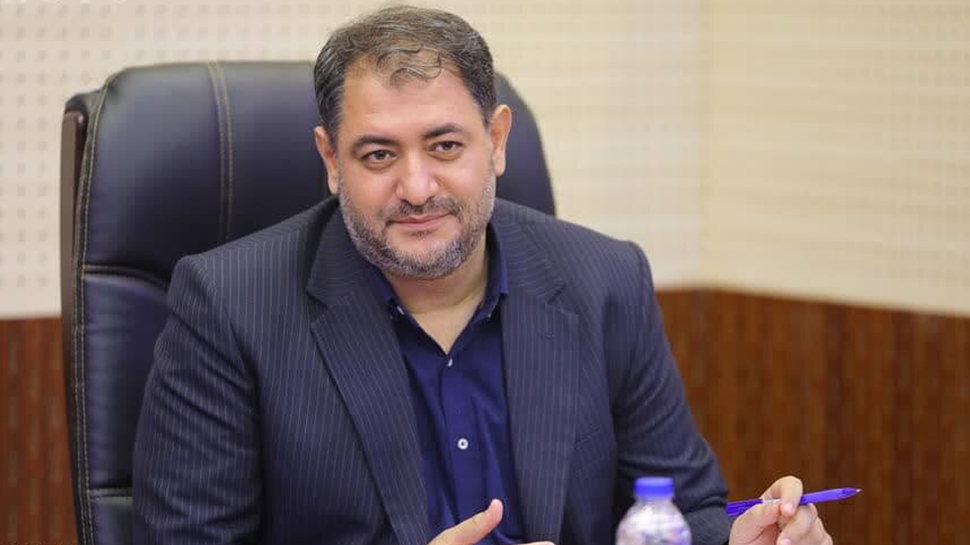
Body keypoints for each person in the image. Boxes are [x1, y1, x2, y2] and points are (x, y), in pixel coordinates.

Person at [132, 6, 833, 545]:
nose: (416, 187)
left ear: (496, 141)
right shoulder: (229, 306)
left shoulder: (604, 280)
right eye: (378, 155)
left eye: (444, 146)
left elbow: (682, 509)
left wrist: (741, 537)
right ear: (331, 160)